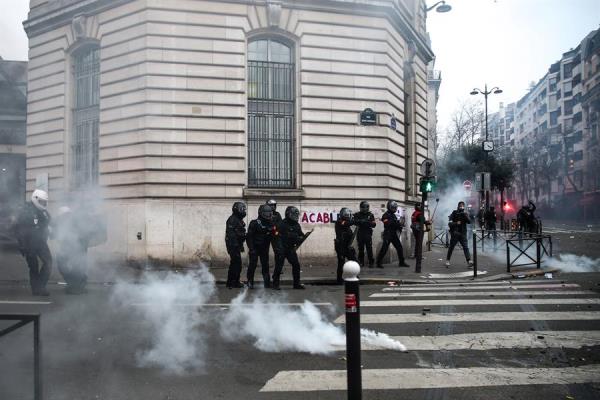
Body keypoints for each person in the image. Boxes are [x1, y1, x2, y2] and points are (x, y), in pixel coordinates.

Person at [53, 204, 106, 294]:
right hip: (77, 246)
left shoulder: (74, 221)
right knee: (77, 266)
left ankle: (76, 286)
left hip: (77, 246)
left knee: (73, 266)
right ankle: (78, 286)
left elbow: (82, 233)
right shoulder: (73, 220)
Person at [15, 189, 52, 296]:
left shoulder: (43, 212)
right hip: (29, 244)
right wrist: (22, 245)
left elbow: (48, 221)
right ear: (35, 199)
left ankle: (40, 286)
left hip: (41, 242)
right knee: (34, 266)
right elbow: (19, 230)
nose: (43, 204)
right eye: (41, 201)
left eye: (45, 202)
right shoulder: (26, 211)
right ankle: (37, 289)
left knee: (48, 263)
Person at [272, 206, 306, 290]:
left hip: (290, 249)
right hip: (282, 248)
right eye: (293, 214)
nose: (295, 216)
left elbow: (301, 234)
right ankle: (275, 284)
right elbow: (276, 237)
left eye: (296, 215)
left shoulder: (296, 225)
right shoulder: (281, 224)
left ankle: (296, 284)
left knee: (296, 265)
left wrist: (302, 237)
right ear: (288, 214)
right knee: (279, 266)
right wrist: (278, 248)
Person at [246, 204, 274, 289]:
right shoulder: (254, 223)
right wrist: (251, 248)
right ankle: (250, 282)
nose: (268, 214)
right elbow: (249, 237)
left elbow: (274, 236)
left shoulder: (270, 223)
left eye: (269, 212)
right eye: (266, 213)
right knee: (252, 266)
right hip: (255, 248)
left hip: (264, 248)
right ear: (261, 213)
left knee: (265, 266)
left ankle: (267, 283)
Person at [375, 200, 410, 268]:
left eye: (395, 208)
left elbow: (395, 224)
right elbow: (387, 224)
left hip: (393, 234)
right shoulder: (385, 215)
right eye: (393, 208)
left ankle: (401, 262)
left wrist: (400, 224)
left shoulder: (393, 215)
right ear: (389, 207)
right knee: (384, 249)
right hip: (388, 234)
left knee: (399, 247)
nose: (395, 209)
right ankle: (378, 263)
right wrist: (396, 223)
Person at [225, 202, 247, 289]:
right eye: (242, 209)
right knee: (236, 264)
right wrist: (242, 236)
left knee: (235, 264)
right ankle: (233, 282)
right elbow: (232, 234)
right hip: (233, 245)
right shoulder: (232, 219)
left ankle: (231, 282)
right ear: (237, 209)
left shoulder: (237, 219)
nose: (243, 211)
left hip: (236, 244)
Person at [445, 201, 473, 268]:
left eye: (463, 205)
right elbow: (449, 223)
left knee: (466, 247)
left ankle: (469, 261)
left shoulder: (465, 213)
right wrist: (456, 223)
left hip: (463, 233)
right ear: (458, 206)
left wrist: (465, 215)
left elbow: (469, 222)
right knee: (451, 247)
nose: (461, 207)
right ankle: (448, 260)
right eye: (460, 205)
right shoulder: (454, 213)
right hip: (455, 233)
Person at [335, 207, 357, 283]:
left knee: (354, 261)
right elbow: (347, 223)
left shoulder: (347, 226)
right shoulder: (339, 222)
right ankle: (339, 279)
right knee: (341, 263)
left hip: (347, 247)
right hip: (340, 247)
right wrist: (356, 221)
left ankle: (355, 276)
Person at [353, 201, 376, 268]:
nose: (365, 209)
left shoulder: (370, 215)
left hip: (367, 233)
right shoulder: (357, 214)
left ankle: (371, 262)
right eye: (364, 207)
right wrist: (360, 221)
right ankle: (361, 262)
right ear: (361, 208)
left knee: (369, 249)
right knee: (361, 249)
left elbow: (374, 224)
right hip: (360, 233)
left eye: (366, 207)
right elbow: (354, 222)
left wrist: (367, 222)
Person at [410, 203, 426, 272]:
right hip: (419, 229)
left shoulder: (414, 213)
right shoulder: (419, 214)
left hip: (414, 229)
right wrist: (428, 222)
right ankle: (418, 256)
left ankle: (416, 255)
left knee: (417, 243)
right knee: (419, 243)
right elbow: (423, 221)